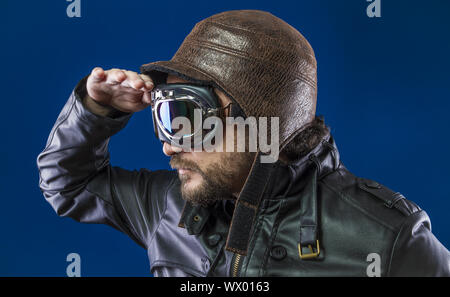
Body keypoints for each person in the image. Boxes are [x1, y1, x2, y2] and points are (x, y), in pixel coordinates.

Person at [37, 9, 450, 276]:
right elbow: (67, 185)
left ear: (262, 121)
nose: (168, 146)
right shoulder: (173, 206)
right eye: (165, 117)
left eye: (188, 116)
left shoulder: (389, 240)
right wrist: (96, 111)